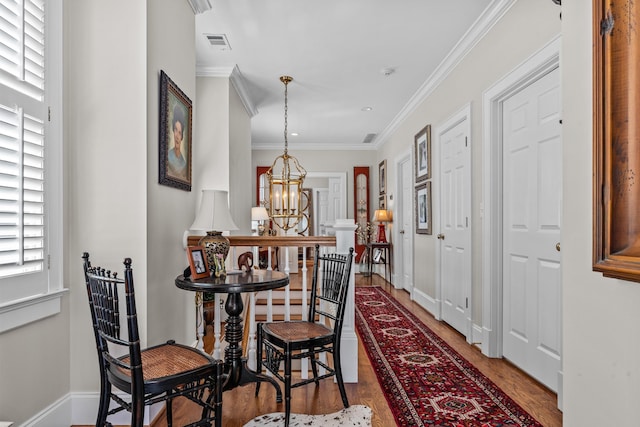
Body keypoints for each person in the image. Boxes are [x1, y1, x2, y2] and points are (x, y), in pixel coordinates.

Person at [168, 105, 187, 180]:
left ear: (182, 137)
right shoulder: (168, 156)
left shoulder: (184, 164)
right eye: (176, 130)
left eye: (179, 132)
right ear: (173, 130)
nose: (177, 136)